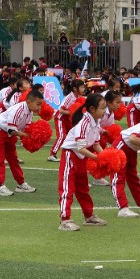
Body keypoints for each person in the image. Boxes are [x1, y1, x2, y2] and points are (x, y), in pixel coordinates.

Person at [58, 93, 107, 231]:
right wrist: (97, 158)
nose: (105, 111)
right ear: (92, 109)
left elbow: (96, 144)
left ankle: (89, 215)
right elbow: (81, 147)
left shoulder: (96, 123)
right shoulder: (84, 123)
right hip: (70, 155)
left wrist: (106, 157)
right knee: (67, 188)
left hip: (81, 157)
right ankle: (65, 220)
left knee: (83, 188)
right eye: (102, 108)